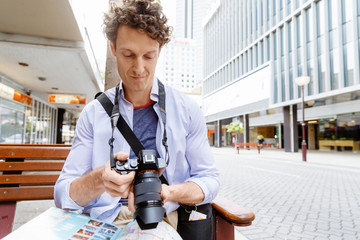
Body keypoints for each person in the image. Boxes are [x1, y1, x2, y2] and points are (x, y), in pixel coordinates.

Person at [54, 0, 219, 238]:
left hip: (162, 219)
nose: (139, 68)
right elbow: (62, 195)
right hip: (102, 221)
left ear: (160, 51)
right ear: (113, 48)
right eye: (128, 54)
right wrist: (100, 179)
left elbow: (210, 179)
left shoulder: (187, 110)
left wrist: (168, 193)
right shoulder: (93, 114)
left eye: (149, 56)